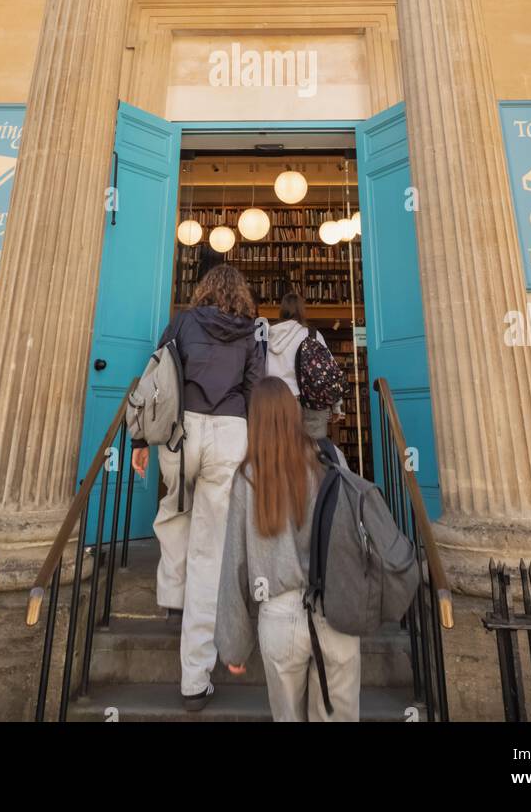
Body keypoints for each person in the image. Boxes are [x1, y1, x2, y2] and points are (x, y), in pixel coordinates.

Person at [131, 263, 262, 712]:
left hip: (181, 432)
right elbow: (254, 388)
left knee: (172, 513)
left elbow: (157, 379)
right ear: (240, 295)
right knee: (211, 552)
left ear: (204, 289)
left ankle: (172, 594)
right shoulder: (248, 332)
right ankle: (195, 676)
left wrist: (139, 438)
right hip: (229, 431)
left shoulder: (183, 322)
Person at [215, 376, 361, 722]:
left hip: (279, 617)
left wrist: (234, 644)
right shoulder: (331, 458)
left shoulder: (249, 476)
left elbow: (234, 562)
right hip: (336, 609)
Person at [265, 290, 341, 439]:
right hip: (304, 403)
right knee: (308, 453)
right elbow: (329, 371)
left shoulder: (267, 336)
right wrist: (336, 405)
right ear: (301, 310)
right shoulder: (311, 335)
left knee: (278, 452)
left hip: (272, 402)